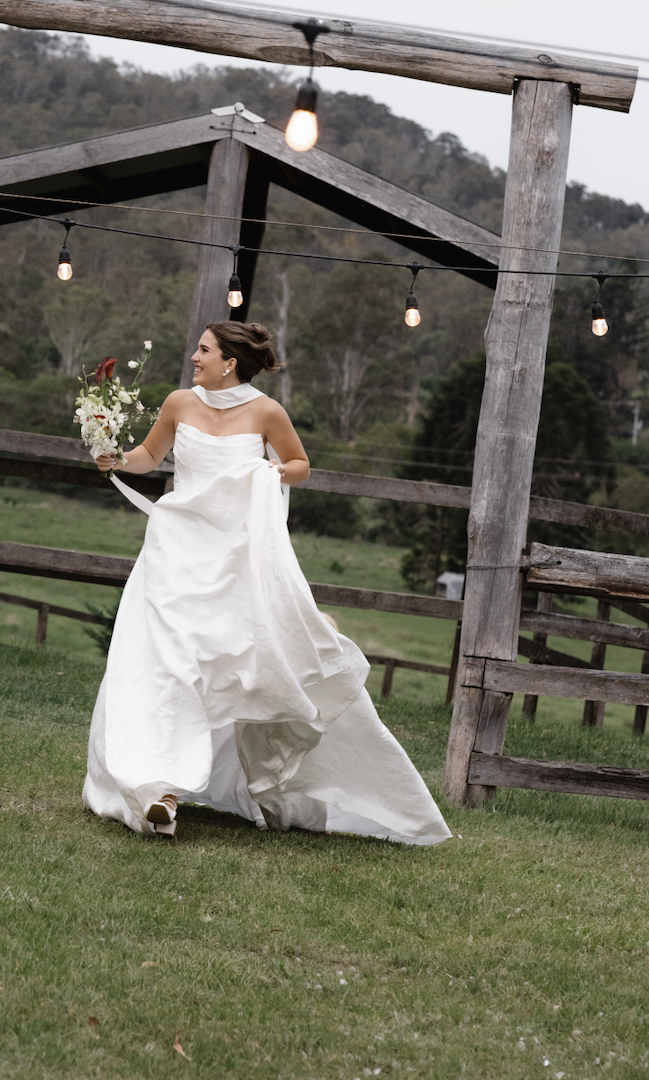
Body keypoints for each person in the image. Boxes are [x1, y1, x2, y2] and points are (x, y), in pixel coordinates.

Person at [84, 320, 450, 845]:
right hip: (174, 552)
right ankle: (156, 790)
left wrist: (262, 476)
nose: (194, 356)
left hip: (235, 558)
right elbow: (150, 457)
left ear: (229, 361)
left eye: (204, 350)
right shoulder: (178, 403)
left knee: (226, 665)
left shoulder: (266, 411)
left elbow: (300, 464)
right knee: (164, 664)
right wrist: (115, 458)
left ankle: (243, 780)